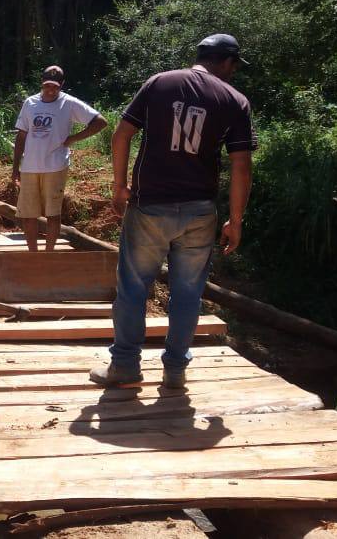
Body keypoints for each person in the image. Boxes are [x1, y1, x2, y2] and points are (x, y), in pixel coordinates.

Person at [90, 34, 256, 389]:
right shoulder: (235, 101)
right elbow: (241, 165)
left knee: (134, 288)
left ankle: (125, 368)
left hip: (150, 206)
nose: (233, 73)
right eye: (234, 67)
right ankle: (176, 372)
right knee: (187, 293)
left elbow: (121, 135)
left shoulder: (160, 83)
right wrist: (236, 219)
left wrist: (119, 186)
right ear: (226, 62)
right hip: (199, 212)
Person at [12, 66, 107, 251]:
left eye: (55, 87)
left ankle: (49, 256)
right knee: (28, 215)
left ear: (62, 85)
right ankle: (33, 255)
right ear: (42, 83)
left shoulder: (69, 103)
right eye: (47, 86)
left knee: (53, 214)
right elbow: (21, 135)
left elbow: (100, 122)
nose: (50, 90)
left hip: (55, 166)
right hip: (30, 167)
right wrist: (15, 168)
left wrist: (73, 138)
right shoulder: (30, 103)